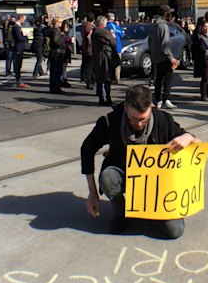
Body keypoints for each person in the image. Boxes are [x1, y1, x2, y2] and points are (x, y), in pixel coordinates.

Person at [81, 84, 201, 237]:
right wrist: (92, 193)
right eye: (133, 119)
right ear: (125, 107)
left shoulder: (162, 119)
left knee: (175, 231)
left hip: (157, 185)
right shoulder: (111, 121)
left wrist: (188, 137)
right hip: (123, 174)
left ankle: (151, 209)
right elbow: (87, 149)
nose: (138, 124)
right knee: (108, 177)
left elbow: (200, 146)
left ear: (150, 107)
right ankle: (122, 213)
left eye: (143, 120)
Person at [148, 4, 179, 109]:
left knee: (158, 79)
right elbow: (164, 44)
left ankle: (157, 99)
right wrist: (171, 57)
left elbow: (150, 41)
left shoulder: (153, 25)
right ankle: (166, 99)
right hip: (164, 57)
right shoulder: (163, 25)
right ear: (166, 14)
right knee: (168, 78)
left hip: (156, 56)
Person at [92, 14, 117, 105]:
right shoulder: (104, 32)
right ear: (103, 23)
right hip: (105, 56)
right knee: (107, 78)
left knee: (99, 79)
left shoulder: (94, 31)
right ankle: (108, 98)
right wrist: (113, 36)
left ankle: (101, 98)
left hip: (97, 56)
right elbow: (114, 43)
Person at [196, 20, 208, 101]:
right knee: (206, 77)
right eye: (205, 26)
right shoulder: (199, 36)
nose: (207, 28)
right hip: (205, 58)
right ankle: (203, 95)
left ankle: (207, 93)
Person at [48, 17, 66, 94]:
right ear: (56, 23)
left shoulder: (56, 31)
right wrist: (63, 45)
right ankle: (56, 88)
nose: (61, 23)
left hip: (56, 53)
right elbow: (55, 41)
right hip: (57, 53)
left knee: (55, 71)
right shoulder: (55, 31)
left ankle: (54, 87)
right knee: (56, 72)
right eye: (60, 22)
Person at [106, 12, 125, 84]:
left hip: (109, 47)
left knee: (110, 64)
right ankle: (117, 78)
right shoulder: (113, 25)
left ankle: (110, 77)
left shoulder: (105, 26)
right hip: (117, 46)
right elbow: (122, 33)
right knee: (117, 63)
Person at [11, 14, 29, 89]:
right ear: (21, 19)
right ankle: (19, 81)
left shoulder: (17, 27)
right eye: (24, 19)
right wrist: (26, 36)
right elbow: (19, 38)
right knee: (18, 65)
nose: (24, 21)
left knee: (19, 65)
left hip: (19, 47)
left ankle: (19, 80)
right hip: (18, 48)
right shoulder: (16, 27)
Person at [80, 12, 95, 89]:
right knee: (90, 67)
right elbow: (90, 39)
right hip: (90, 49)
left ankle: (88, 80)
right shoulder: (90, 27)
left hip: (85, 48)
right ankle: (89, 82)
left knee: (86, 65)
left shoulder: (84, 26)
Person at [60, 20, 73, 87]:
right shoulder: (61, 34)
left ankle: (64, 79)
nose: (66, 28)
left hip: (67, 51)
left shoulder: (66, 34)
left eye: (67, 26)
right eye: (65, 26)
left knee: (65, 67)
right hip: (63, 51)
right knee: (62, 67)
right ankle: (62, 79)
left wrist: (71, 41)